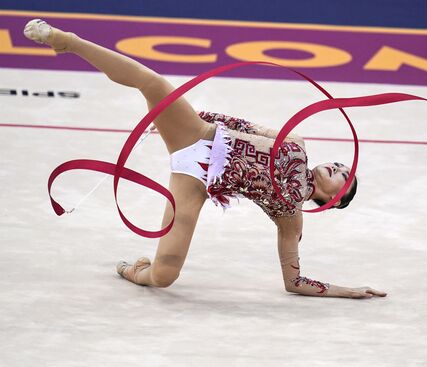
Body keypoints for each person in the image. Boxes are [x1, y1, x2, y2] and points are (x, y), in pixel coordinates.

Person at [24, 19, 387, 299]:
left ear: (332, 200)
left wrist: (347, 290)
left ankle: (133, 271)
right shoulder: (297, 143)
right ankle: (68, 42)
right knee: (153, 84)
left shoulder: (290, 217)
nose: (337, 166)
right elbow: (245, 126)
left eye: (342, 176)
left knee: (165, 275)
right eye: (341, 164)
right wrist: (186, 115)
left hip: (197, 182)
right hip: (200, 137)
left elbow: (293, 282)